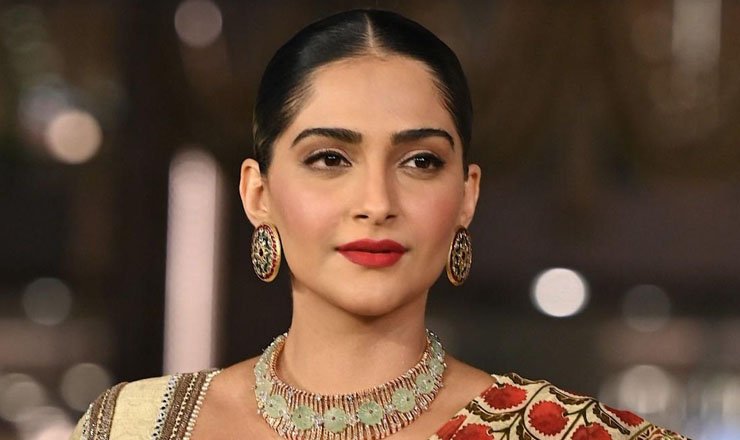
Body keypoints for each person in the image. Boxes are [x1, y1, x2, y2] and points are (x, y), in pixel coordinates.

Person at [71, 9, 688, 440]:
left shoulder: (563, 434)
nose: (376, 202)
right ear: (258, 193)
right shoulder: (132, 427)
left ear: (467, 195)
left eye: (420, 161)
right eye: (329, 159)